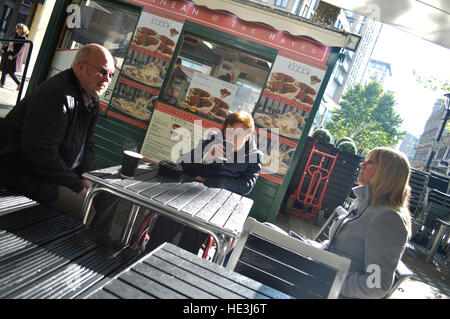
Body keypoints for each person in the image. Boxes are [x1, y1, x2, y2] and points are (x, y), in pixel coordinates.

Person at [0, 43, 120, 235]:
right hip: (23, 174)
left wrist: (91, 177)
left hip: (58, 173)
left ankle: (98, 248)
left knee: (111, 196)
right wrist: (77, 185)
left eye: (111, 75)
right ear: (80, 66)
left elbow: (86, 146)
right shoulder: (57, 95)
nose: (107, 79)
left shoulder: (89, 100)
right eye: (102, 71)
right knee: (85, 208)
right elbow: (40, 154)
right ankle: (78, 252)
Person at [145, 111, 263, 253]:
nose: (231, 139)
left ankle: (182, 266)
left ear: (247, 136)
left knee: (195, 232)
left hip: (217, 204)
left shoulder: (254, 156)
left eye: (237, 135)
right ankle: (148, 255)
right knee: (169, 218)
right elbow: (182, 162)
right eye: (228, 133)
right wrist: (205, 158)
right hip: (190, 195)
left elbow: (246, 186)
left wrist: (209, 180)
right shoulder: (213, 141)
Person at [324, 147, 412, 298]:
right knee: (269, 229)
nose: (361, 165)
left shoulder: (388, 220)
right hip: (319, 271)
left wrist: (327, 279)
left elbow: (375, 285)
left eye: (370, 162)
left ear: (386, 174)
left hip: (326, 290)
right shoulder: (364, 203)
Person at [1, 23, 29, 90]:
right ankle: (1, 83)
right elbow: (11, 44)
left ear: (22, 30)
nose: (17, 29)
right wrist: (4, 49)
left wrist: (13, 55)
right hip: (8, 54)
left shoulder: (24, 38)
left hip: (14, 57)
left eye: (18, 28)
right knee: (4, 70)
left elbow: (19, 49)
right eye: (17, 28)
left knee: (11, 72)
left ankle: (19, 84)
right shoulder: (16, 36)